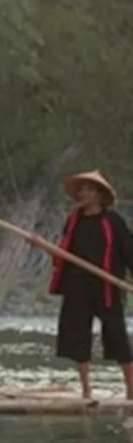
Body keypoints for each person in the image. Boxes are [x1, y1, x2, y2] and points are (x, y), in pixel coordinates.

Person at [37, 170, 133, 399]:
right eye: (82, 190)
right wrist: (44, 246)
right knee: (77, 335)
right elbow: (65, 251)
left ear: (99, 195)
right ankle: (86, 389)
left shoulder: (113, 222)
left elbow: (130, 252)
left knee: (116, 334)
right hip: (77, 286)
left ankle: (131, 387)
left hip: (107, 286)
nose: (83, 194)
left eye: (89, 190)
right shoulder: (74, 220)